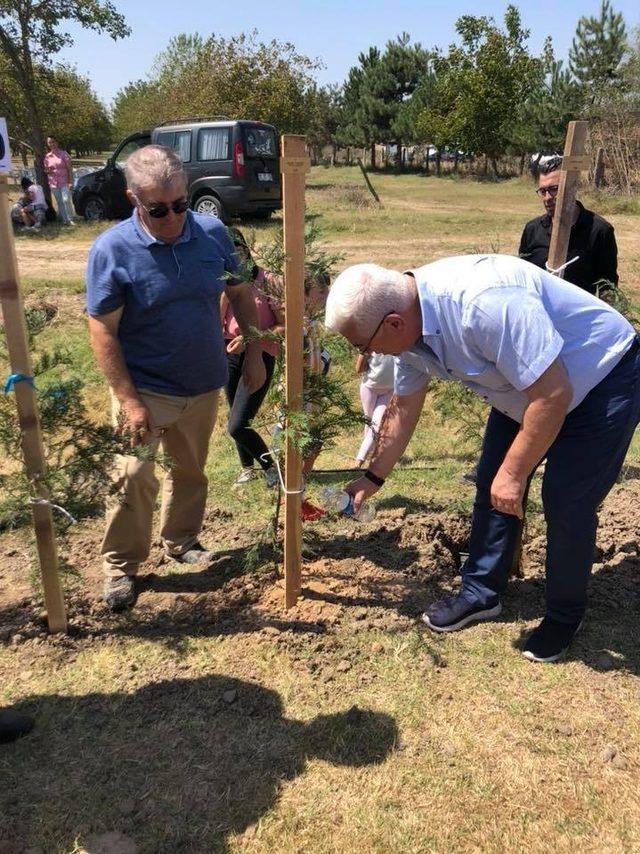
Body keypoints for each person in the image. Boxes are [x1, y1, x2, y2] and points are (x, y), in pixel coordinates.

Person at [325, 255, 640, 663]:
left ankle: (564, 615)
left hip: (601, 376)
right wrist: (372, 477)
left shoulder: (483, 304)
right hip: (524, 383)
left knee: (565, 499)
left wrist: (515, 472)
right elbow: (403, 406)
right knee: (490, 481)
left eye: (363, 346)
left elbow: (554, 394)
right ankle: (481, 593)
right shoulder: (409, 327)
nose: (365, 355)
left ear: (394, 323)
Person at [86, 145, 266, 611]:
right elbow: (102, 330)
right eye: (158, 208)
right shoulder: (112, 249)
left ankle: (182, 541)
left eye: (180, 204)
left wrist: (255, 351)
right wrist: (128, 401)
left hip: (203, 383)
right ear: (133, 199)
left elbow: (242, 293)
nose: (172, 216)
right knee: (132, 476)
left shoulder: (213, 234)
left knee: (190, 471)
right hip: (145, 387)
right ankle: (121, 566)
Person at [221, 228, 283, 487]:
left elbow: (285, 326)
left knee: (237, 425)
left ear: (245, 249)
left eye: (236, 251)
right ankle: (247, 468)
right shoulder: (224, 282)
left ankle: (272, 468)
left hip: (261, 356)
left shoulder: (269, 282)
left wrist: (250, 338)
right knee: (236, 416)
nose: (232, 257)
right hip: (229, 357)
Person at [519, 155, 618, 295]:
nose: (547, 198)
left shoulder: (599, 231)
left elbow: (608, 289)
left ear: (571, 188)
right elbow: (523, 279)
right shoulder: (532, 229)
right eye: (542, 191)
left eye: (554, 189)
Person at [355, 352, 395, 467]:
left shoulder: (400, 344)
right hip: (369, 388)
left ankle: (359, 460)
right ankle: (370, 453)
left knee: (376, 425)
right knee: (369, 423)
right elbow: (358, 368)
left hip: (388, 390)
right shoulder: (371, 343)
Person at [43, 135, 74, 226]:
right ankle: (64, 219)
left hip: (64, 181)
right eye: (49, 142)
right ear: (48, 144)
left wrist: (70, 181)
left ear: (57, 143)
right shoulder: (47, 156)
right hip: (53, 182)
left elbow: (69, 169)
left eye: (53, 142)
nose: (51, 144)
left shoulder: (64, 154)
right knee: (60, 201)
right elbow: (46, 170)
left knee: (66, 199)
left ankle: (70, 218)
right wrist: (48, 170)